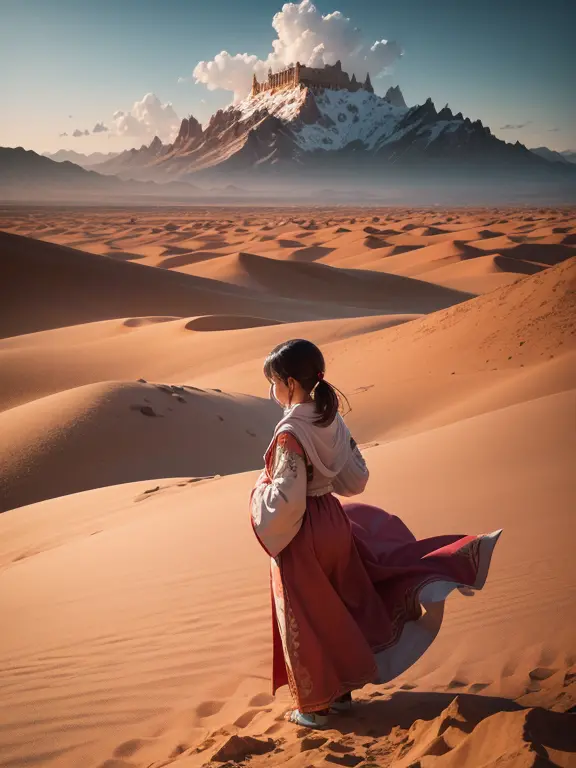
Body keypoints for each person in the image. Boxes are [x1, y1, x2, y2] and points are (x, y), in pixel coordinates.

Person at [250, 339, 501, 729]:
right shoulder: (330, 417)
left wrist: (257, 493)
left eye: (273, 383)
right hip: (335, 522)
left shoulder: (290, 431)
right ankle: (344, 695)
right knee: (338, 606)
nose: (272, 392)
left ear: (290, 383)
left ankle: (314, 706)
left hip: (304, 532)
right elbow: (356, 479)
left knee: (305, 613)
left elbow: (287, 498)